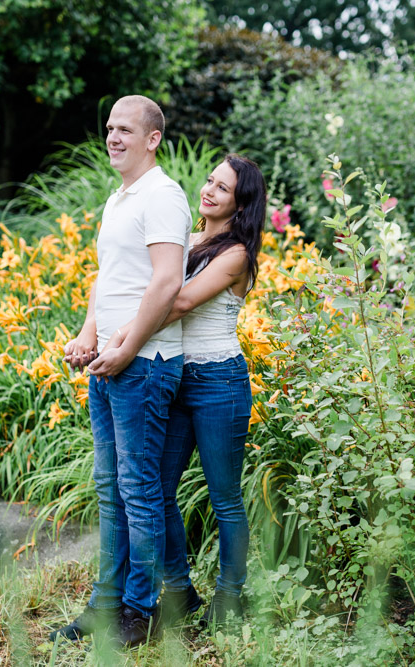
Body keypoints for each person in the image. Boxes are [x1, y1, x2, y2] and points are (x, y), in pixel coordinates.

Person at [89, 154, 266, 628]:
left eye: (222, 188)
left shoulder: (236, 254)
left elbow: (179, 299)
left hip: (219, 382)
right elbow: (140, 285)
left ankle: (230, 598)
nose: (208, 190)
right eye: (209, 181)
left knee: (223, 496)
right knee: (158, 491)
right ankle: (182, 591)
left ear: (240, 203)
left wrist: (124, 337)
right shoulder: (186, 241)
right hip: (176, 373)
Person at [50, 95, 192, 647]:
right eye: (109, 128)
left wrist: (128, 346)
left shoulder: (163, 196)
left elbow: (165, 283)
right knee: (111, 488)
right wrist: (88, 336)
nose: (113, 137)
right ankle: (105, 603)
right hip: (111, 363)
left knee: (139, 489)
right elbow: (107, 277)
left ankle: (141, 609)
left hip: (146, 364)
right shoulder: (119, 198)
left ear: (152, 138)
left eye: (125, 129)